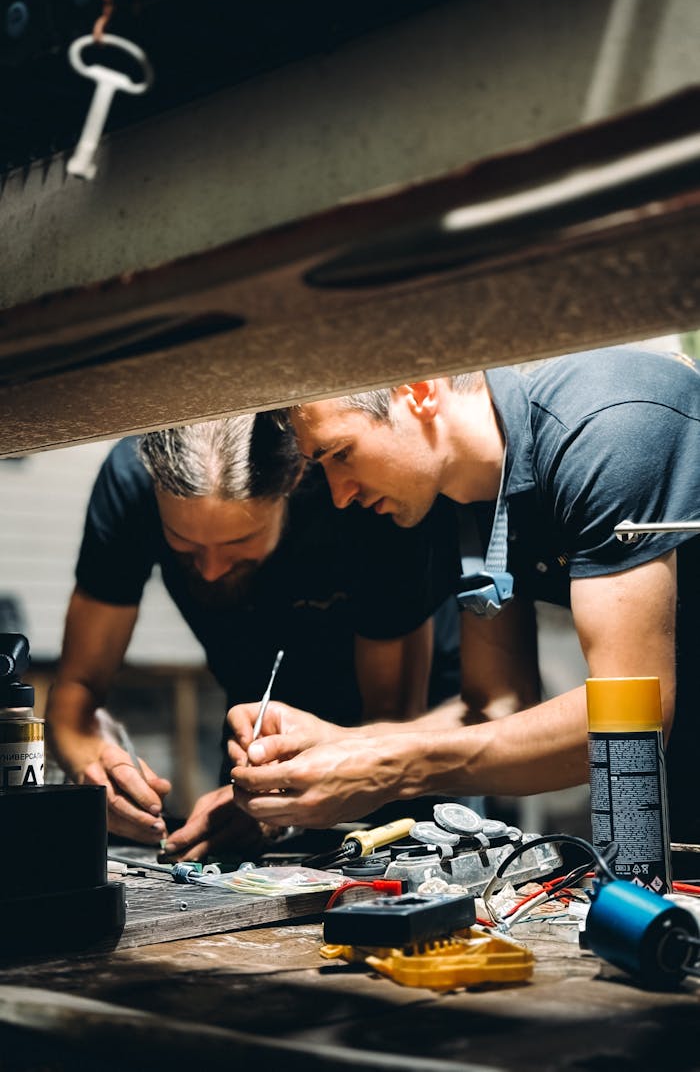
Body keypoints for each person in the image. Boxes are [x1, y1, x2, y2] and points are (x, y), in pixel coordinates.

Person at [230, 348, 700, 859]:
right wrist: (338, 746)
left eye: (341, 453)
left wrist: (391, 766)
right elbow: (496, 705)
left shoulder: (602, 427)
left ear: (419, 391)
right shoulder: (467, 497)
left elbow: (630, 719)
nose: (340, 496)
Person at [46, 413, 457, 860]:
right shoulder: (130, 482)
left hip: (410, 738)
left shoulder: (357, 495)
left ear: (298, 477)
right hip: (253, 729)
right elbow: (78, 688)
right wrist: (95, 767)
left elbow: (390, 721)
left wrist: (274, 811)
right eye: (183, 546)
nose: (211, 569)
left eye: (240, 545)